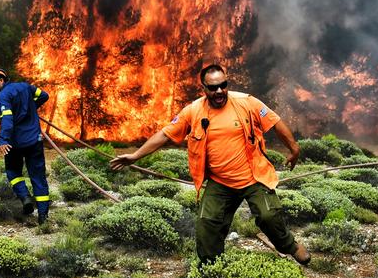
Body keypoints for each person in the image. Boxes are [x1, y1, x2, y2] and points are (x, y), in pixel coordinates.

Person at [110, 64, 310, 265]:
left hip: (254, 177)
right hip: (220, 182)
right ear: (204, 88)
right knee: (206, 225)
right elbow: (165, 134)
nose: (219, 91)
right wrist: (135, 156)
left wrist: (294, 149)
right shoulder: (193, 111)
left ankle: (290, 247)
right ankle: (211, 269)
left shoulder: (247, 102)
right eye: (213, 88)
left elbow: (275, 122)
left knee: (268, 217)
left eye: (223, 85)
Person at [0, 68, 50, 224]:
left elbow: (7, 120)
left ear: (1, 80)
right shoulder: (25, 86)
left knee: (12, 172)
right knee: (38, 177)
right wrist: (31, 108)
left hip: (15, 143)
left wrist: (3, 140)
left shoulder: (3, 95)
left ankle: (25, 197)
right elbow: (44, 96)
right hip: (35, 141)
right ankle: (43, 217)